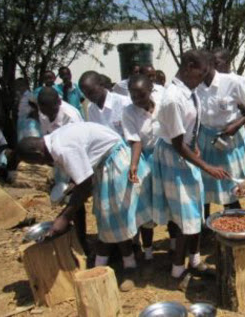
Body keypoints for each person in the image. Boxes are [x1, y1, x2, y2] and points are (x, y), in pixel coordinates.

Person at [17, 122, 153, 292]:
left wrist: (64, 217)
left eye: (36, 162)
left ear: (37, 153)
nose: (41, 165)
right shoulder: (54, 140)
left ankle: (130, 267)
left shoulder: (62, 148)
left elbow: (86, 184)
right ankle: (121, 261)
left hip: (116, 163)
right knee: (110, 219)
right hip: (106, 164)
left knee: (115, 218)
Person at [154, 50, 229, 291]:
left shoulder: (189, 92)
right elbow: (176, 143)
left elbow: (188, 129)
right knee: (186, 217)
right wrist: (207, 166)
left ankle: (194, 261)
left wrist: (195, 142)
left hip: (185, 154)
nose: (204, 78)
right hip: (174, 160)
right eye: (202, 72)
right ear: (188, 66)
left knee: (195, 213)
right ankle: (177, 273)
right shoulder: (173, 99)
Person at [196, 52, 245, 235]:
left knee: (235, 182)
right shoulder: (196, 86)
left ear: (209, 65)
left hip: (230, 140)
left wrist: (235, 126)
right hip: (206, 140)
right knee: (206, 183)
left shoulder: (232, 82)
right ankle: (205, 226)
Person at [122, 74, 165, 265]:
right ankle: (147, 252)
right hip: (145, 161)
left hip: (166, 157)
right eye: (132, 96)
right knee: (145, 207)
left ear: (151, 91)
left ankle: (174, 245)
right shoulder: (129, 112)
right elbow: (136, 141)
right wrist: (134, 165)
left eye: (141, 95)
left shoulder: (163, 104)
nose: (136, 100)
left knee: (168, 203)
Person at [37, 87, 87, 249]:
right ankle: (70, 236)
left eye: (51, 111)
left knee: (76, 200)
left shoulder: (70, 115)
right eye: (45, 112)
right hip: (60, 161)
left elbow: (80, 145)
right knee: (64, 198)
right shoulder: (44, 112)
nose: (48, 116)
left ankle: (82, 240)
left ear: (58, 103)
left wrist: (75, 179)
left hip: (77, 159)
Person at [80, 71, 131, 137]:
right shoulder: (91, 109)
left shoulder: (124, 102)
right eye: (85, 94)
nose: (89, 96)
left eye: (91, 92)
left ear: (101, 85)